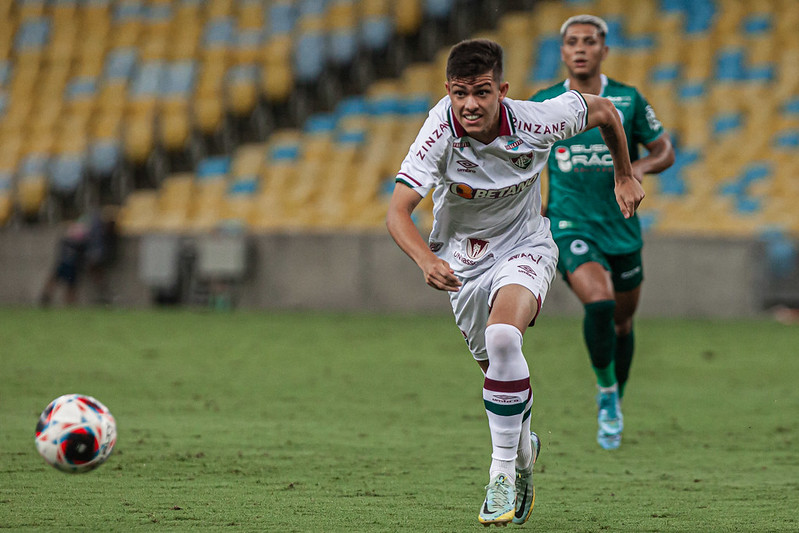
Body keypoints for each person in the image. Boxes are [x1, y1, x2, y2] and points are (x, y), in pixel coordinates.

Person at [385, 38, 644, 526]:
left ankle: (500, 476)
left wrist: (622, 175)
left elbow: (607, 111)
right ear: (448, 90)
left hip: (526, 247)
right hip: (461, 264)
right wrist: (424, 259)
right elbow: (398, 211)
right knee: (497, 373)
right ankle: (524, 456)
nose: (470, 104)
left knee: (504, 337)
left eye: (482, 92)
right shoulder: (438, 131)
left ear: (501, 90)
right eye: (460, 93)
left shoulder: (537, 119)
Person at [530, 15, 675, 450]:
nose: (580, 48)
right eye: (572, 42)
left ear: (603, 50)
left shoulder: (628, 100)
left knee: (623, 322)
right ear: (562, 52)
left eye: (589, 41)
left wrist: (631, 172)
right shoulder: (544, 102)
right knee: (600, 301)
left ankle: (615, 397)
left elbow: (664, 150)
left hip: (621, 225)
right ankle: (606, 392)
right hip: (569, 222)